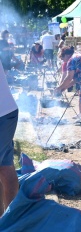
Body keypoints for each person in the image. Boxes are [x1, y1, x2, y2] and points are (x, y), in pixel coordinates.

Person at [0, 61, 19, 217]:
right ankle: (8, 221)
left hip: (2, 114)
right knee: (5, 167)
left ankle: (8, 220)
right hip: (7, 112)